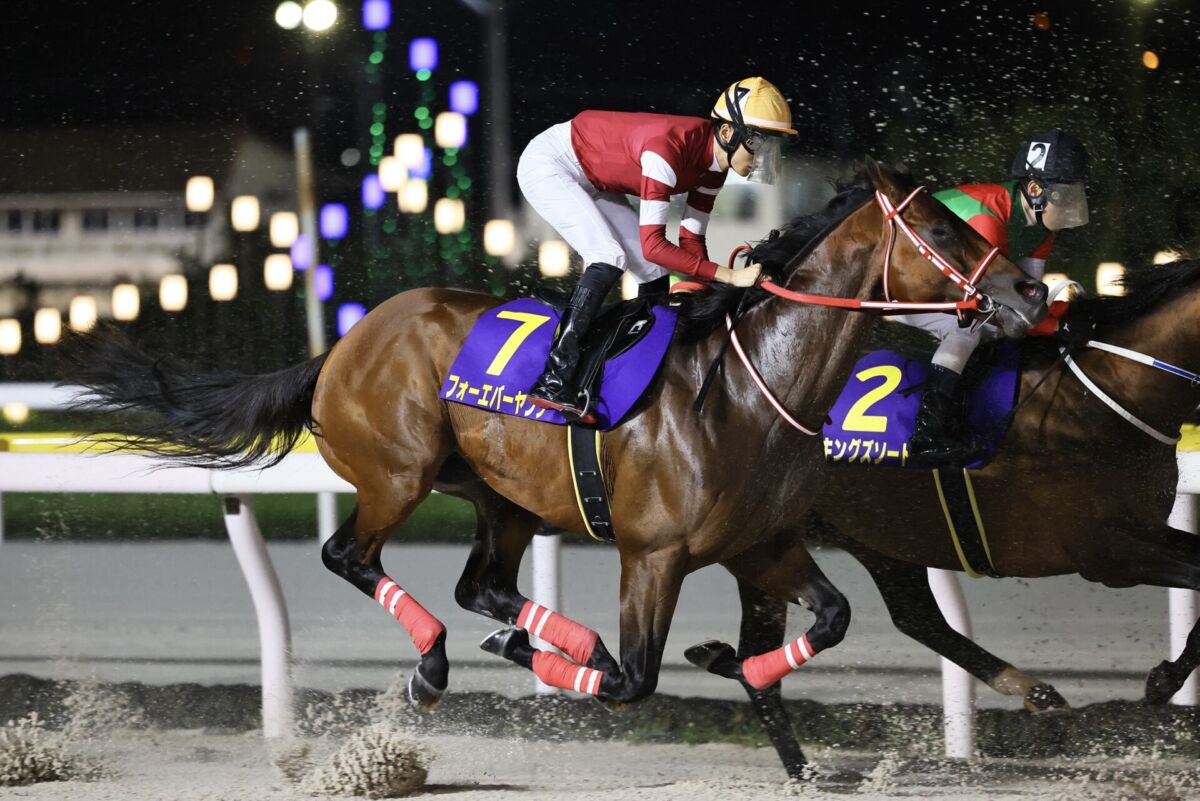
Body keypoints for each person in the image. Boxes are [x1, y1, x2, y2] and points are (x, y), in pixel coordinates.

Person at [517, 77, 797, 421]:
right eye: (758, 143)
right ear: (727, 133)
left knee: (654, 275)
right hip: (552, 163)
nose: (763, 156)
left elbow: (690, 242)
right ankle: (553, 378)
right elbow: (654, 245)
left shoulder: (714, 171)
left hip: (595, 178)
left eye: (770, 146)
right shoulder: (668, 150)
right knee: (610, 256)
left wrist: (712, 296)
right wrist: (730, 276)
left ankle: (641, 365)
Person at [902, 129, 1090, 465]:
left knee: (998, 330)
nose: (1072, 204)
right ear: (1034, 189)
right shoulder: (988, 219)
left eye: (1075, 193)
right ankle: (927, 434)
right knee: (969, 330)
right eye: (1064, 194)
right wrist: (1051, 324)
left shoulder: (1041, 226)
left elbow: (1030, 296)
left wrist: (1053, 318)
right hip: (905, 284)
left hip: (948, 284)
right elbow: (997, 302)